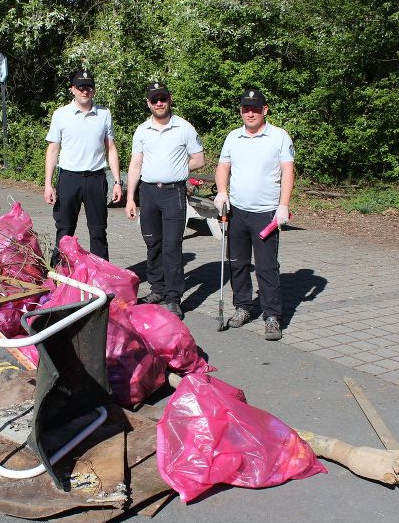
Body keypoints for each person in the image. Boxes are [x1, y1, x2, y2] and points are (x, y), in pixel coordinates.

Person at [214, 88, 295, 339]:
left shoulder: (279, 137)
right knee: (237, 264)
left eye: (256, 109)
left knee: (266, 267)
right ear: (241, 111)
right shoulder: (233, 137)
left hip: (266, 214)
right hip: (237, 211)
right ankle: (243, 307)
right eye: (246, 109)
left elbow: (288, 172)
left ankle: (272, 316)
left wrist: (283, 205)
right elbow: (223, 167)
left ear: (265, 110)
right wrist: (221, 192)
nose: (250, 113)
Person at [125, 82, 204, 319]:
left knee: (172, 246)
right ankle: (157, 290)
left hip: (173, 194)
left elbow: (199, 159)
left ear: (169, 99)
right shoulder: (141, 130)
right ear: (148, 103)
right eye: (154, 99)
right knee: (153, 244)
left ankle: (173, 297)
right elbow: (136, 164)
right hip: (148, 193)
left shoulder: (184, 128)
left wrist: (178, 168)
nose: (159, 103)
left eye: (163, 98)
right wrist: (130, 198)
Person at [44, 69, 122, 265]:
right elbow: (53, 150)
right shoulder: (61, 114)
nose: (85, 91)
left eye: (89, 86)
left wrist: (117, 182)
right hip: (69, 179)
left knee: (98, 232)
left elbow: (111, 148)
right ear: (72, 89)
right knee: (64, 230)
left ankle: (102, 276)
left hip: (96, 179)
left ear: (94, 90)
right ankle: (58, 276)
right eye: (80, 86)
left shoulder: (104, 113)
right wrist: (48, 184)